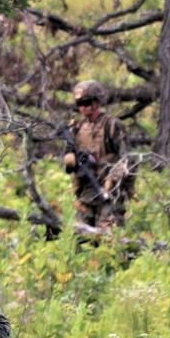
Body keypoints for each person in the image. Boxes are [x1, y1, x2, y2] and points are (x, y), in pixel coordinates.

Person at [64, 80, 136, 230]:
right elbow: (67, 154)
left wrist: (111, 181)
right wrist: (71, 160)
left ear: (97, 102)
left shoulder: (112, 125)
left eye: (86, 102)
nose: (82, 107)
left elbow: (128, 158)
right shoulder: (77, 127)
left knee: (109, 236)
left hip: (110, 192)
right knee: (78, 234)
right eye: (79, 104)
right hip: (87, 190)